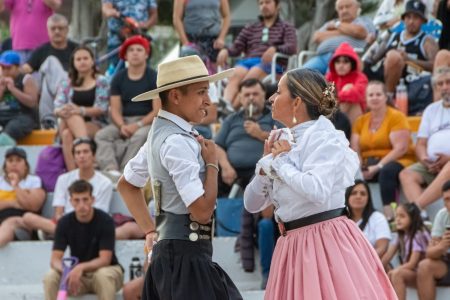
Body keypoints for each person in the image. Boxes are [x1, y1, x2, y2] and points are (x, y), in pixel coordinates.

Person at [243, 68, 396, 299]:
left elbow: (317, 190)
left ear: (296, 102)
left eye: (278, 91)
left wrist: (281, 162)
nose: (271, 98)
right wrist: (265, 169)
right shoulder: (282, 140)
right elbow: (251, 204)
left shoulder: (325, 138)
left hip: (324, 242)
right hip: (290, 244)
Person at [126, 55, 242, 299]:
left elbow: (126, 185)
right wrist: (212, 163)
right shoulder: (176, 141)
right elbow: (201, 212)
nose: (208, 101)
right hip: (184, 261)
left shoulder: (160, 136)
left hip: (176, 256)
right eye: (201, 92)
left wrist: (150, 231)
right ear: (176, 96)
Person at [43, 180, 123, 300]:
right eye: (77, 200)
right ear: (70, 201)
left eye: (85, 199)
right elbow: (55, 259)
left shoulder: (105, 220)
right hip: (78, 276)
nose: (81, 205)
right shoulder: (64, 223)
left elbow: (105, 259)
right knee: (50, 277)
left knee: (103, 276)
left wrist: (79, 268)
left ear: (92, 199)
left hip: (107, 270)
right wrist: (67, 271)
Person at [21, 138, 113, 239]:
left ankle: (62, 234)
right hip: (66, 223)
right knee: (27, 217)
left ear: (94, 156)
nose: (82, 156)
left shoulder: (105, 183)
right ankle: (66, 233)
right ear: (74, 157)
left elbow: (99, 214)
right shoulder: (63, 179)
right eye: (78, 153)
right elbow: (59, 212)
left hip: (92, 224)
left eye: (85, 152)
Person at [95, 35, 159, 177]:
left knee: (140, 136)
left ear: (146, 54)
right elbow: (115, 109)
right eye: (131, 50)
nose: (135, 53)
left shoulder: (154, 77)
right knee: (102, 135)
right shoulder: (118, 78)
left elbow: (157, 110)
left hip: (146, 122)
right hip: (122, 121)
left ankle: (126, 172)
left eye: (139, 49)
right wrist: (122, 126)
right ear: (125, 55)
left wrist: (138, 124)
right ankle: (110, 170)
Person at [351, 81, 416, 220]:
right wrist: (361, 167)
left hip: (398, 160)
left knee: (386, 172)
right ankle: (357, 218)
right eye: (371, 95)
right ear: (366, 99)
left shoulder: (396, 117)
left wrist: (378, 166)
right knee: (351, 174)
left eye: (378, 94)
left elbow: (401, 148)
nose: (374, 98)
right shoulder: (360, 121)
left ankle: (391, 215)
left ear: (386, 97)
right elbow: (355, 148)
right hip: (370, 162)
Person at [216, 0, 297, 109]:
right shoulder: (251, 27)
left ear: (277, 5)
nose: (264, 6)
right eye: (261, 3)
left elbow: (292, 47)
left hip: (273, 65)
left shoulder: (286, 26)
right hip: (249, 61)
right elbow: (237, 47)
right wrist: (226, 50)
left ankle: (232, 109)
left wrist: (275, 48)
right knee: (236, 73)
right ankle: (226, 103)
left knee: (251, 76)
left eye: (267, 2)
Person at [363, 0, 439, 98]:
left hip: (410, 81)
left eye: (416, 18)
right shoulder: (392, 36)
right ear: (403, 19)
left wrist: (409, 59)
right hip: (382, 76)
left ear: (423, 21)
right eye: (408, 17)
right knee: (359, 63)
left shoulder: (427, 41)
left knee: (394, 57)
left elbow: (435, 65)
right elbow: (373, 58)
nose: (411, 21)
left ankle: (388, 97)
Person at [399, 67, 450, 210]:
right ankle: (423, 218)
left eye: (448, 82)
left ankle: (415, 210)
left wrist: (447, 159)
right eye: (440, 84)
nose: (445, 87)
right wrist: (425, 160)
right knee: (406, 174)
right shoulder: (431, 109)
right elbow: (421, 144)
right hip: (432, 165)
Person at [54, 46, 110, 171]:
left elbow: (102, 108)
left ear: (92, 61)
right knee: (66, 133)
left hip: (95, 123)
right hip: (68, 122)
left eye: (85, 58)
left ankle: (79, 164)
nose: (82, 61)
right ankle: (75, 171)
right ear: (73, 63)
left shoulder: (101, 81)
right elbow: (57, 107)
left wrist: (80, 110)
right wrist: (62, 110)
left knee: (71, 119)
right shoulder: (66, 83)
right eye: (78, 59)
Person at [21, 13, 79, 127]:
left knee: (51, 63)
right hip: (48, 91)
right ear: (48, 31)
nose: (57, 31)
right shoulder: (42, 50)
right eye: (53, 29)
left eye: (60, 28)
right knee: (50, 63)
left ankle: (48, 119)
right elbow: (25, 70)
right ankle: (49, 120)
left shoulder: (77, 49)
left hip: (73, 88)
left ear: (67, 30)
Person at [304, 0, 376, 74]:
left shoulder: (365, 21)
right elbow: (317, 37)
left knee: (330, 81)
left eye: (348, 7)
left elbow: (360, 32)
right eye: (340, 8)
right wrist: (347, 31)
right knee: (301, 74)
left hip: (345, 59)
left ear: (357, 7)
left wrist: (336, 25)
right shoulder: (331, 22)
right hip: (322, 57)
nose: (344, 10)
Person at [381, 203, 431, 300]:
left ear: (412, 218)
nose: (398, 219)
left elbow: (412, 264)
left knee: (397, 274)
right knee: (390, 273)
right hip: (412, 272)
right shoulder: (401, 235)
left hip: (423, 275)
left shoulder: (418, 234)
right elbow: (387, 256)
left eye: (402, 216)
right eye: (396, 216)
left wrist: (396, 270)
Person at [0, 147, 45, 247]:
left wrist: (16, 186)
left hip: (23, 222)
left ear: (25, 165)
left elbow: (33, 206)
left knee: (10, 222)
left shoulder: (33, 181)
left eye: (18, 160)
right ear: (5, 166)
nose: (14, 164)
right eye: (10, 161)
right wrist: (13, 203)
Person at [416, 180, 450, 300]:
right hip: (446, 261)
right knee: (424, 266)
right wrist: (442, 246)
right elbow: (430, 253)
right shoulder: (442, 214)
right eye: (446, 199)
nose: (449, 203)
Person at [173, 0, 230, 70]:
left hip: (214, 42)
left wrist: (221, 38)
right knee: (192, 75)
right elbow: (177, 18)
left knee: (216, 76)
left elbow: (227, 16)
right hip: (191, 40)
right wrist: (186, 43)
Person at [0, 50, 39, 146]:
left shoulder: (26, 79)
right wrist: (1, 89)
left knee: (5, 138)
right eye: (3, 67)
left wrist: (13, 89)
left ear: (17, 67)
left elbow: (32, 102)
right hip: (3, 115)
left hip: (23, 116)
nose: (5, 71)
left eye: (8, 68)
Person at [102, 0, 158, 65]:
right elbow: (106, 9)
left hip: (140, 38)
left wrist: (143, 25)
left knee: (143, 71)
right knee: (116, 69)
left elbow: (154, 16)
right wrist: (116, 14)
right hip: (117, 39)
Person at [345, 180, 391, 258]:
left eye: (363, 194)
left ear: (368, 198)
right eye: (354, 193)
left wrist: (363, 263)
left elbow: (382, 248)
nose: (358, 196)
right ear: (347, 197)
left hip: (372, 264)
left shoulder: (378, 218)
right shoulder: (340, 221)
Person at [325, 42, 368, 124]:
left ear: (352, 63)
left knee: (349, 88)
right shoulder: (329, 76)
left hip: (354, 116)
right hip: (333, 112)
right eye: (337, 62)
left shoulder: (360, 77)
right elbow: (324, 97)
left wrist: (337, 97)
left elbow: (358, 95)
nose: (341, 65)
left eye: (345, 62)